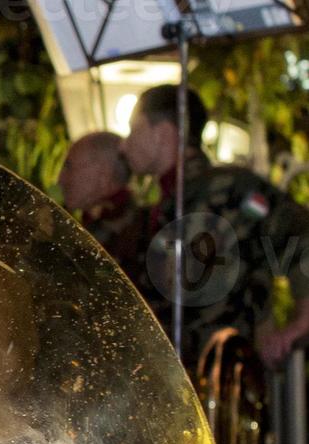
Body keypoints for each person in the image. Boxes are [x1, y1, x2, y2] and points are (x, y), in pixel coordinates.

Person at [122, 84, 309, 368]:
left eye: (134, 129)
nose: (124, 144)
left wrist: (296, 328)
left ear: (163, 133)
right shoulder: (157, 205)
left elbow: (300, 237)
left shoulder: (232, 189)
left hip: (226, 380)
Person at [58, 131, 144, 279]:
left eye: (69, 166)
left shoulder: (133, 233)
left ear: (103, 175)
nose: (60, 179)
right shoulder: (100, 222)